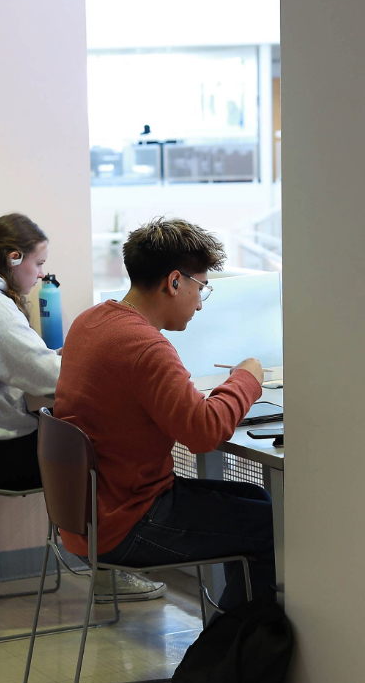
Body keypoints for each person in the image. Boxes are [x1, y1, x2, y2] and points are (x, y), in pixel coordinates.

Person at [0, 213, 165, 602]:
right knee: (101, 456)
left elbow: (29, 364)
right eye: (39, 263)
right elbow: (52, 378)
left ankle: (106, 566)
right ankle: (110, 572)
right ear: (15, 259)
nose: (41, 273)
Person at [54, 216, 276, 611]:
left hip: (87, 515)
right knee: (274, 528)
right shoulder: (144, 347)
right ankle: (237, 651)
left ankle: (233, 641)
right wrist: (247, 377)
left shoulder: (91, 322)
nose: (200, 303)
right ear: (175, 282)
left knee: (257, 501)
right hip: (129, 522)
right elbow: (204, 432)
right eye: (201, 287)